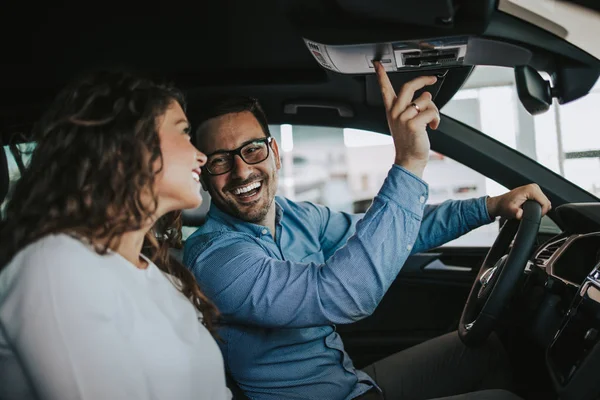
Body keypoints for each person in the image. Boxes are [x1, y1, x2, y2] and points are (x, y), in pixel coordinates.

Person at [184, 62, 551, 400]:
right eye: (220, 160)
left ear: (274, 153)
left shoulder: (296, 217)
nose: (242, 171)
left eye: (252, 150)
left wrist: (489, 206)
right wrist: (409, 162)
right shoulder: (215, 258)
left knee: (484, 351)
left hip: (351, 383)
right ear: (203, 172)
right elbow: (343, 295)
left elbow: (385, 234)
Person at [0, 71, 231, 400]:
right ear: (128, 144)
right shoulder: (55, 266)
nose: (202, 156)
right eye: (184, 133)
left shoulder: (165, 279)